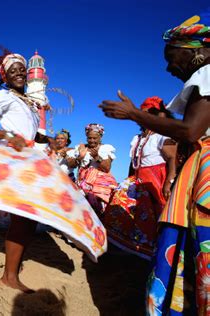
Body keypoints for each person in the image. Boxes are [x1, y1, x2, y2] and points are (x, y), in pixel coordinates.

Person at [0, 49, 106, 292]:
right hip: (15, 160)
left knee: (28, 219)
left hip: (29, 157)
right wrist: (9, 136)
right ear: (5, 77)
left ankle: (12, 273)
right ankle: (9, 277)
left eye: (22, 70)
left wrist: (47, 139)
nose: (19, 73)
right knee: (23, 218)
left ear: (29, 74)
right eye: (12, 72)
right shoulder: (3, 96)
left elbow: (29, 130)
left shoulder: (28, 102)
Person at [100, 11, 210, 315]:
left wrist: (134, 113)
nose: (168, 66)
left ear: (197, 53)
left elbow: (191, 131)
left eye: (172, 56)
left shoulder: (208, 74)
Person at [102, 97, 177, 260]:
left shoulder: (162, 136)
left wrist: (169, 182)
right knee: (119, 204)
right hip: (137, 178)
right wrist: (130, 179)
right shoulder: (138, 138)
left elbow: (172, 158)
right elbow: (134, 162)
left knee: (152, 213)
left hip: (155, 179)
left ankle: (148, 250)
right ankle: (123, 245)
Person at [68, 123, 117, 215]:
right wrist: (79, 158)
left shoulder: (105, 149)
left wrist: (97, 157)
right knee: (81, 207)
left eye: (95, 138)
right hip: (82, 181)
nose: (92, 140)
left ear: (100, 137)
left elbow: (107, 168)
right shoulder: (81, 148)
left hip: (100, 183)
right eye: (89, 138)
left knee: (97, 208)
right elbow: (72, 165)